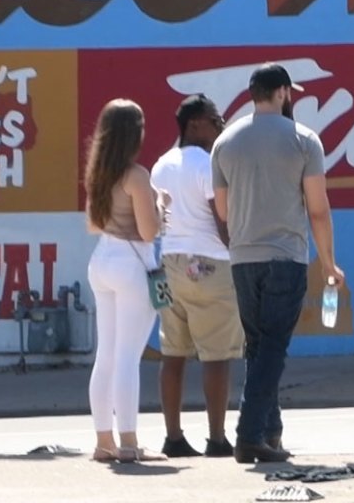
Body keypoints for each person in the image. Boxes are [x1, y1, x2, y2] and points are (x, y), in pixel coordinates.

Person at [210, 63, 342, 466]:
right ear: (283, 92)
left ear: (253, 94)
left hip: (243, 259)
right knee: (272, 348)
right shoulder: (304, 140)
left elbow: (222, 210)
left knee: (259, 348)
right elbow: (318, 210)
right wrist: (329, 264)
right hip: (285, 256)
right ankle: (250, 435)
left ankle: (270, 432)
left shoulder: (225, 142)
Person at [149, 93, 242, 459]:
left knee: (172, 353)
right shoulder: (207, 164)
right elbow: (222, 221)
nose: (220, 124)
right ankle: (217, 439)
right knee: (216, 355)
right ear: (194, 125)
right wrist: (240, 250)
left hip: (169, 263)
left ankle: (173, 437)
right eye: (214, 119)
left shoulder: (161, 164)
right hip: (211, 265)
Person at [83, 97, 165, 465]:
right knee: (128, 358)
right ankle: (129, 442)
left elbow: (93, 225)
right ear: (134, 133)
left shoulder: (97, 172)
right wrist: (159, 206)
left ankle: (104, 441)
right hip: (132, 265)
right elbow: (149, 233)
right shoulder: (136, 176)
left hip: (102, 258)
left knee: (107, 355)